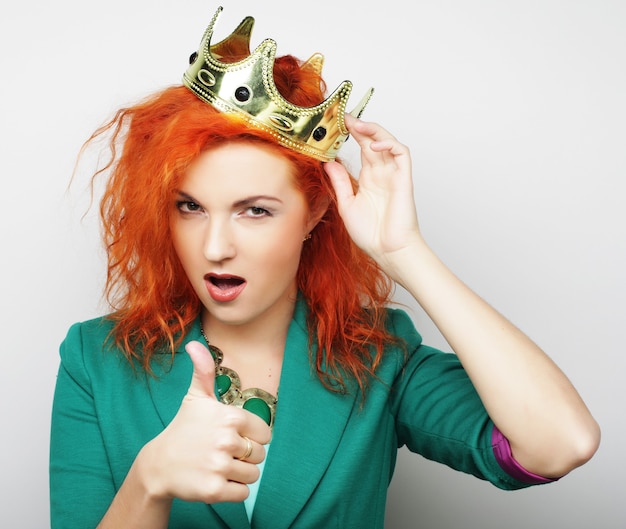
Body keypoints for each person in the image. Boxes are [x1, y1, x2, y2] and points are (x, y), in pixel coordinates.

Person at [49, 6, 600, 529]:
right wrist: (150, 480)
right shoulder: (94, 360)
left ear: (314, 213)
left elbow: (561, 444)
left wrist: (405, 252)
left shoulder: (380, 356)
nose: (215, 246)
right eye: (190, 207)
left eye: (255, 211)